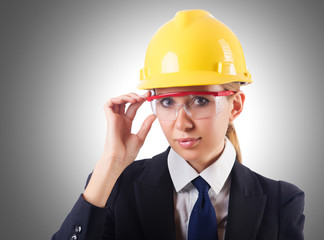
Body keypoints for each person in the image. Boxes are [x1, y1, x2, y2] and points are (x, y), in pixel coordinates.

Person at [52, 9, 305, 240]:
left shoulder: (280, 201)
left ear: (235, 106)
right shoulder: (115, 188)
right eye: (167, 102)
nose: (182, 123)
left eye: (200, 100)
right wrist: (110, 164)